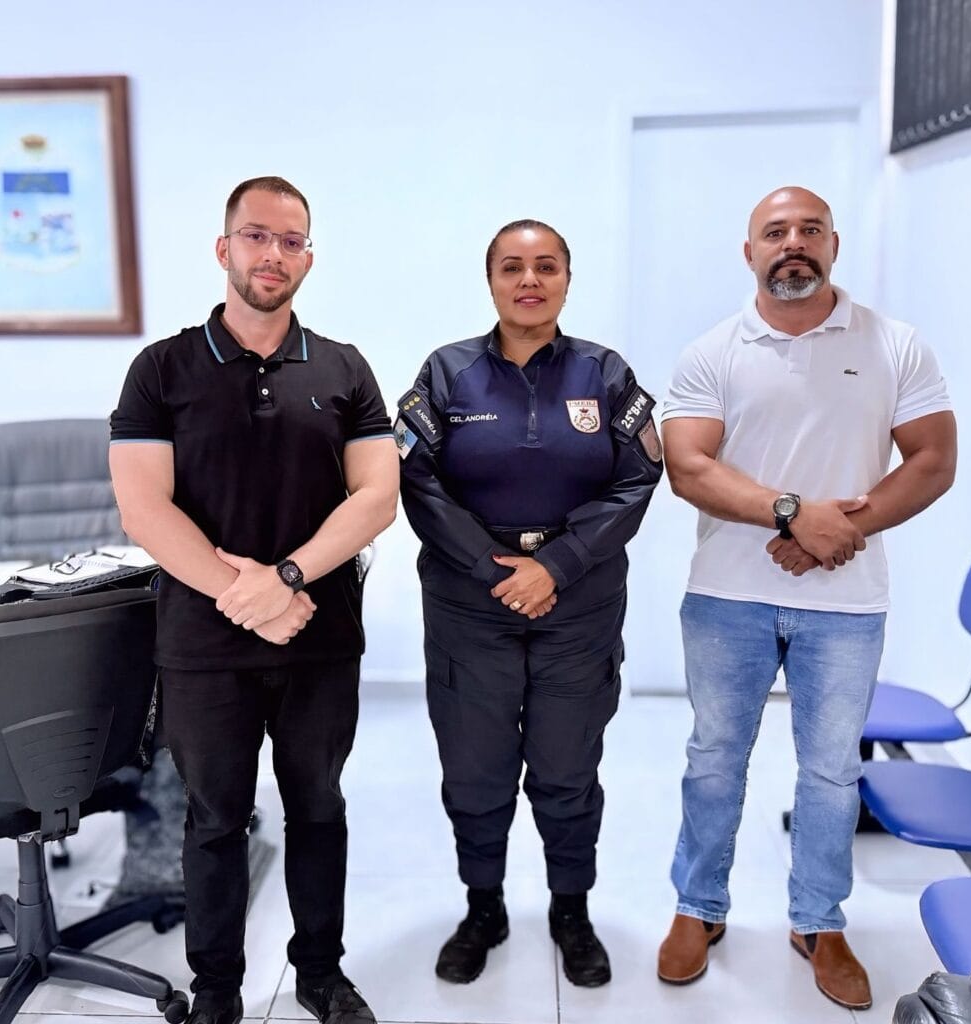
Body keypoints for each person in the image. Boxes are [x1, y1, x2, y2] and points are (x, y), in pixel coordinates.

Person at [656, 186, 956, 1011]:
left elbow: (932, 460)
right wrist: (794, 514)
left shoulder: (895, 344)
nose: (793, 241)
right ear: (749, 251)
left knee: (830, 773)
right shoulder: (712, 351)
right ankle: (698, 906)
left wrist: (839, 530)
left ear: (833, 245)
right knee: (714, 760)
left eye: (809, 229)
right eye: (775, 231)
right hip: (727, 595)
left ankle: (819, 922)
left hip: (847, 602)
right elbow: (689, 467)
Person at [109, 176, 398, 1024]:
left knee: (318, 808)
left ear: (309, 257)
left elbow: (376, 497)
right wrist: (247, 594)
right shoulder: (160, 369)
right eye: (257, 236)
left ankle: (320, 975)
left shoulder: (344, 368)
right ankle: (217, 990)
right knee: (214, 819)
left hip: (319, 635)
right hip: (205, 645)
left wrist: (288, 580)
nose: (274, 254)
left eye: (291, 240)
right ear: (224, 248)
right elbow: (144, 508)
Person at [397, 219, 663, 988]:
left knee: (567, 768)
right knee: (475, 769)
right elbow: (416, 478)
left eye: (546, 266)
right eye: (512, 267)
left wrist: (557, 564)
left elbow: (639, 477)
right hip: (468, 606)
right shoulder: (446, 372)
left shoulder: (605, 373)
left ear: (567, 280)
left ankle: (570, 911)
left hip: (578, 607)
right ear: (491, 281)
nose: (529, 280)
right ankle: (483, 908)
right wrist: (494, 568)